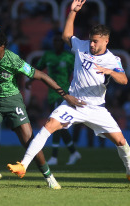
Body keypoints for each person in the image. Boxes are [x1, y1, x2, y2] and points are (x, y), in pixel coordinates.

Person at [7, 0, 130, 190]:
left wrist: (111, 72)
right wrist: (72, 12)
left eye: (96, 42)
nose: (92, 45)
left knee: (121, 141)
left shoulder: (113, 60)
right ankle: (23, 165)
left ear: (106, 40)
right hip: (73, 103)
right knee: (49, 125)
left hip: (97, 108)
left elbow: (124, 80)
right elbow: (65, 36)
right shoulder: (82, 46)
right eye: (91, 41)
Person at [0, 28, 83, 189]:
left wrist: (65, 96)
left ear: (2, 46)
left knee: (30, 143)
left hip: (13, 103)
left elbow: (42, 76)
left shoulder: (14, 61)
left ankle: (49, 177)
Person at [31, 31, 81, 165]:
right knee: (61, 126)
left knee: (56, 123)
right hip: (52, 95)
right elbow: (38, 69)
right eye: (55, 41)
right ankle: (74, 152)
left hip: (64, 94)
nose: (57, 43)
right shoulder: (48, 56)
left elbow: (77, 72)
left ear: (63, 43)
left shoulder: (69, 57)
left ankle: (54, 156)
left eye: (60, 41)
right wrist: (29, 81)